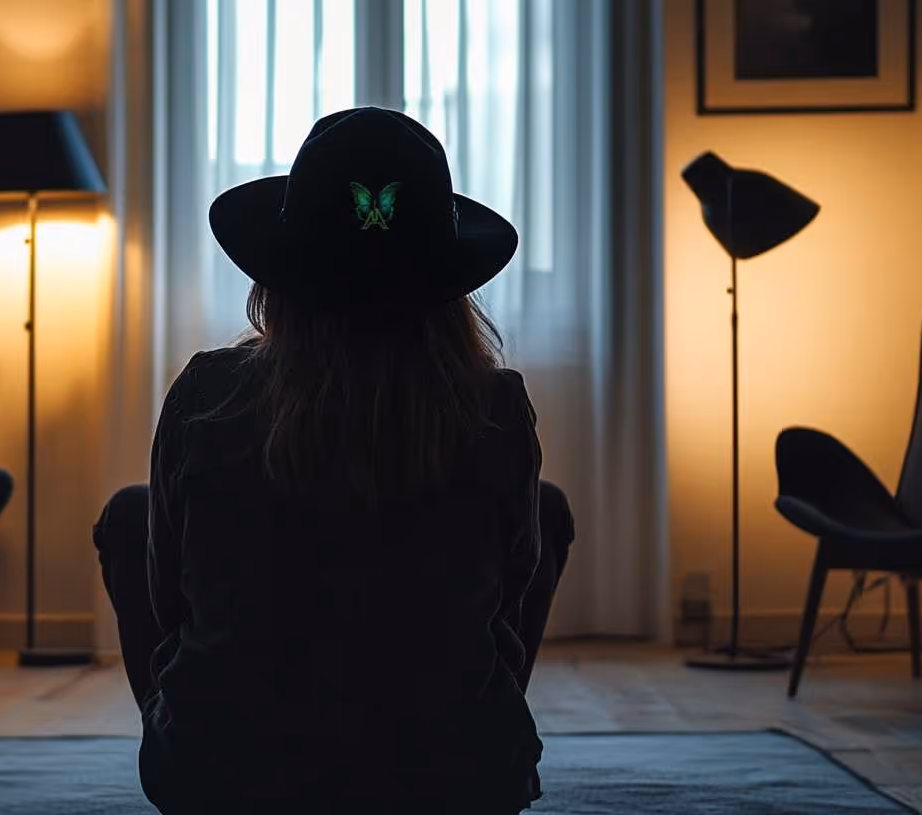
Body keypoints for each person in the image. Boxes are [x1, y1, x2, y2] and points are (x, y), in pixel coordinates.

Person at [93, 107, 575, 814]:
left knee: (131, 517)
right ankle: (464, 735)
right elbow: (505, 593)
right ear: (447, 288)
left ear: (279, 275)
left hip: (222, 784)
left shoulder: (209, 392)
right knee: (549, 511)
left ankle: (207, 739)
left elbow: (174, 600)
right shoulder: (494, 405)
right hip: (453, 786)